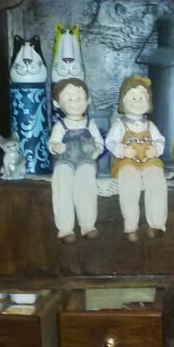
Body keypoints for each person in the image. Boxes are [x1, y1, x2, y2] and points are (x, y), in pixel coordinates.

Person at [106, 74, 167, 242]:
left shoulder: (150, 125)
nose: (138, 101)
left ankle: (156, 224)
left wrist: (156, 149)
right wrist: (122, 150)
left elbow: (160, 140)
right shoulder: (119, 125)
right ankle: (131, 226)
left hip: (148, 161)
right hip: (127, 162)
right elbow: (110, 142)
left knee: (156, 178)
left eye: (142, 97)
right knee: (128, 181)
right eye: (133, 97)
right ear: (123, 101)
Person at [47, 78, 103, 243]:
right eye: (69, 99)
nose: (75, 103)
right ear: (57, 103)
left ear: (88, 100)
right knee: (62, 180)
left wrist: (98, 149)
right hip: (66, 160)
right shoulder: (60, 126)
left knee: (86, 181)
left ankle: (88, 225)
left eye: (79, 98)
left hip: (86, 160)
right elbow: (52, 142)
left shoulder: (90, 124)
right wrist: (56, 146)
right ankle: (65, 228)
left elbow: (99, 142)